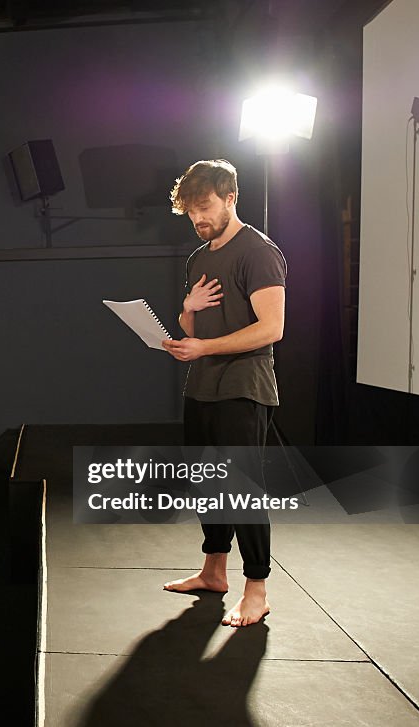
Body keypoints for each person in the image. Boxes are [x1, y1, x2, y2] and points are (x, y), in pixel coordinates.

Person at [159, 159, 286, 628]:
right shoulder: (199, 258)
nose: (199, 218)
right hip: (203, 386)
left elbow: (272, 328)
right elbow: (193, 326)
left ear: (231, 197)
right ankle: (214, 572)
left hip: (243, 387)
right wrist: (187, 313)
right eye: (191, 210)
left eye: (206, 206)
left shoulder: (258, 252)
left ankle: (258, 590)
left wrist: (205, 345)